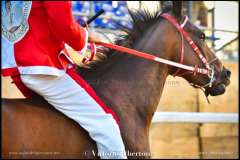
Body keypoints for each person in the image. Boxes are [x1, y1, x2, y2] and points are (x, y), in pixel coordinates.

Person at [1, 1, 127, 159]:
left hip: (17, 67)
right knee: (106, 126)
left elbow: (37, 20)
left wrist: (76, 30)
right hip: (42, 67)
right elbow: (62, 25)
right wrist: (85, 36)